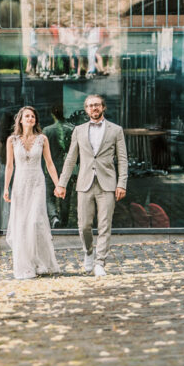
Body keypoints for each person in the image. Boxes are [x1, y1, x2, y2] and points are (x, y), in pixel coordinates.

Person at [55, 94, 127, 277]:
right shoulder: (78, 130)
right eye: (90, 106)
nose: (94, 108)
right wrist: (61, 183)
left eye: (97, 105)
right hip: (84, 183)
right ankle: (88, 251)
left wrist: (122, 184)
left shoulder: (116, 130)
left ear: (103, 107)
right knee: (84, 225)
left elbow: (123, 160)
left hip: (107, 184)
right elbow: (71, 158)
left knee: (104, 225)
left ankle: (100, 262)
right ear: (86, 110)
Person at [3, 106, 61, 279]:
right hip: (20, 185)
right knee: (21, 224)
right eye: (27, 116)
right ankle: (25, 265)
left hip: (37, 183)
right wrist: (6, 188)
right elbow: (9, 166)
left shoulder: (42, 139)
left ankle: (41, 262)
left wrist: (58, 185)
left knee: (35, 222)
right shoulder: (12, 140)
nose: (30, 119)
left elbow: (49, 163)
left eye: (33, 116)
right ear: (20, 120)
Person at [42, 104, 75, 228]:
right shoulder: (72, 129)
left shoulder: (47, 130)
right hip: (68, 167)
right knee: (65, 196)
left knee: (49, 195)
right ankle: (64, 221)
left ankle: (54, 217)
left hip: (51, 168)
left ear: (52, 114)